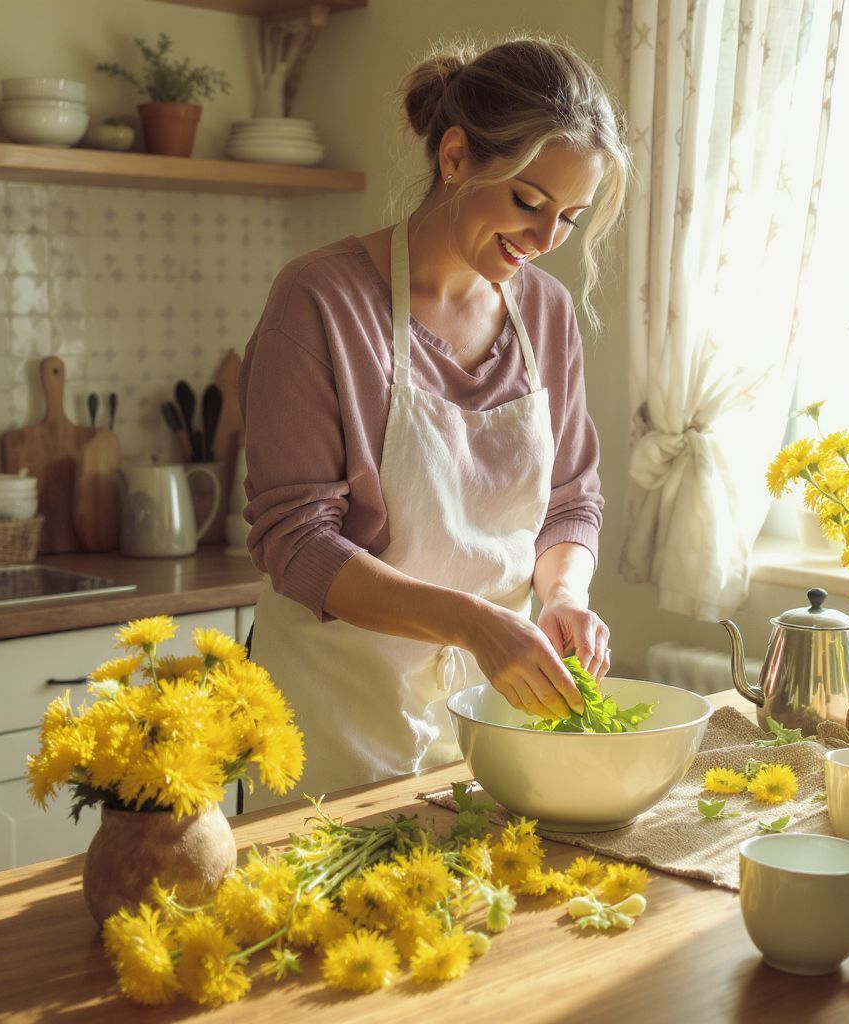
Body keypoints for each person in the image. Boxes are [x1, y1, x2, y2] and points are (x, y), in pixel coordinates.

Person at [238, 35, 632, 810]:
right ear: (455, 157)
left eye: (570, 217)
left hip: (493, 708)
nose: (546, 240)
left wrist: (562, 596)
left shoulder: (546, 312)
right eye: (528, 202)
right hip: (335, 715)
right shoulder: (321, 300)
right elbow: (297, 542)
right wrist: (474, 624)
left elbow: (569, 500)